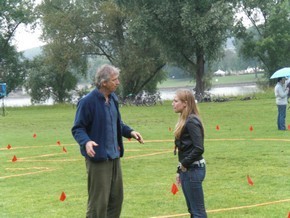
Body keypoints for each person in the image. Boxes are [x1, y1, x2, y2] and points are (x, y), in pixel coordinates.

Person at [71, 64, 144, 218]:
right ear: (103, 82)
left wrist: (130, 132)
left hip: (114, 157)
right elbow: (78, 128)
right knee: (99, 203)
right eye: (114, 80)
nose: (118, 82)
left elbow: (117, 123)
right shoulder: (87, 102)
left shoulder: (113, 99)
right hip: (98, 159)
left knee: (116, 200)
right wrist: (86, 142)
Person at [172, 89, 207, 218]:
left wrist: (184, 164)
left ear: (185, 103)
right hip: (188, 170)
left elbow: (199, 148)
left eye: (176, 101)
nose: (172, 104)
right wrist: (179, 170)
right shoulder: (184, 120)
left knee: (198, 212)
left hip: (194, 170)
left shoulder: (191, 121)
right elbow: (185, 150)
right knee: (193, 210)